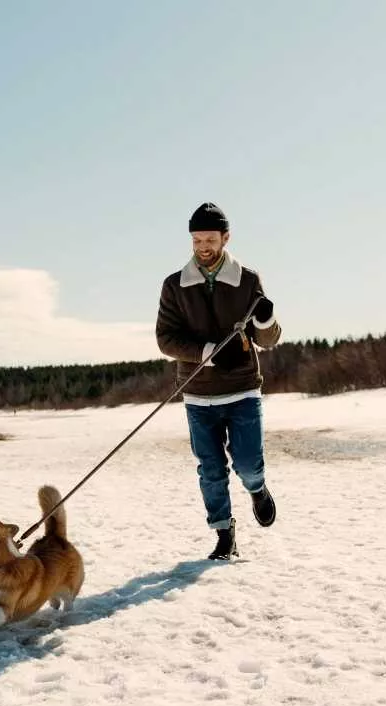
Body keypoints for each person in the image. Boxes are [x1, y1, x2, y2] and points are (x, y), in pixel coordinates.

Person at [156, 202, 281, 560]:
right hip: (198, 394)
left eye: (210, 239)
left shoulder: (247, 280)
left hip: (242, 389)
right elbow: (166, 339)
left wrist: (265, 320)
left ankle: (257, 489)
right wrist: (209, 351)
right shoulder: (174, 286)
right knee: (210, 470)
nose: (203, 247)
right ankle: (224, 534)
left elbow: (267, 340)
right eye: (197, 240)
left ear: (225, 238)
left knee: (246, 464)